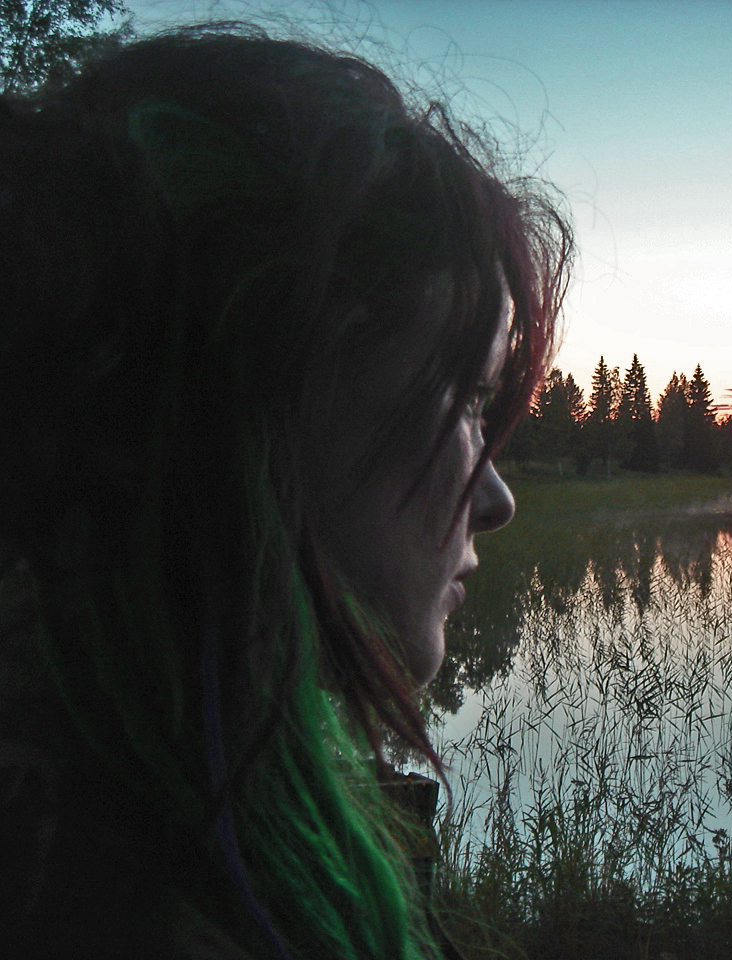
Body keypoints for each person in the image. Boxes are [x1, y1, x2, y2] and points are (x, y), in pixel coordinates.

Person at [0, 22, 570, 959]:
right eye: (466, 399)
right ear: (273, 394)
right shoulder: (154, 902)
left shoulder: (97, 784)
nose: (496, 500)